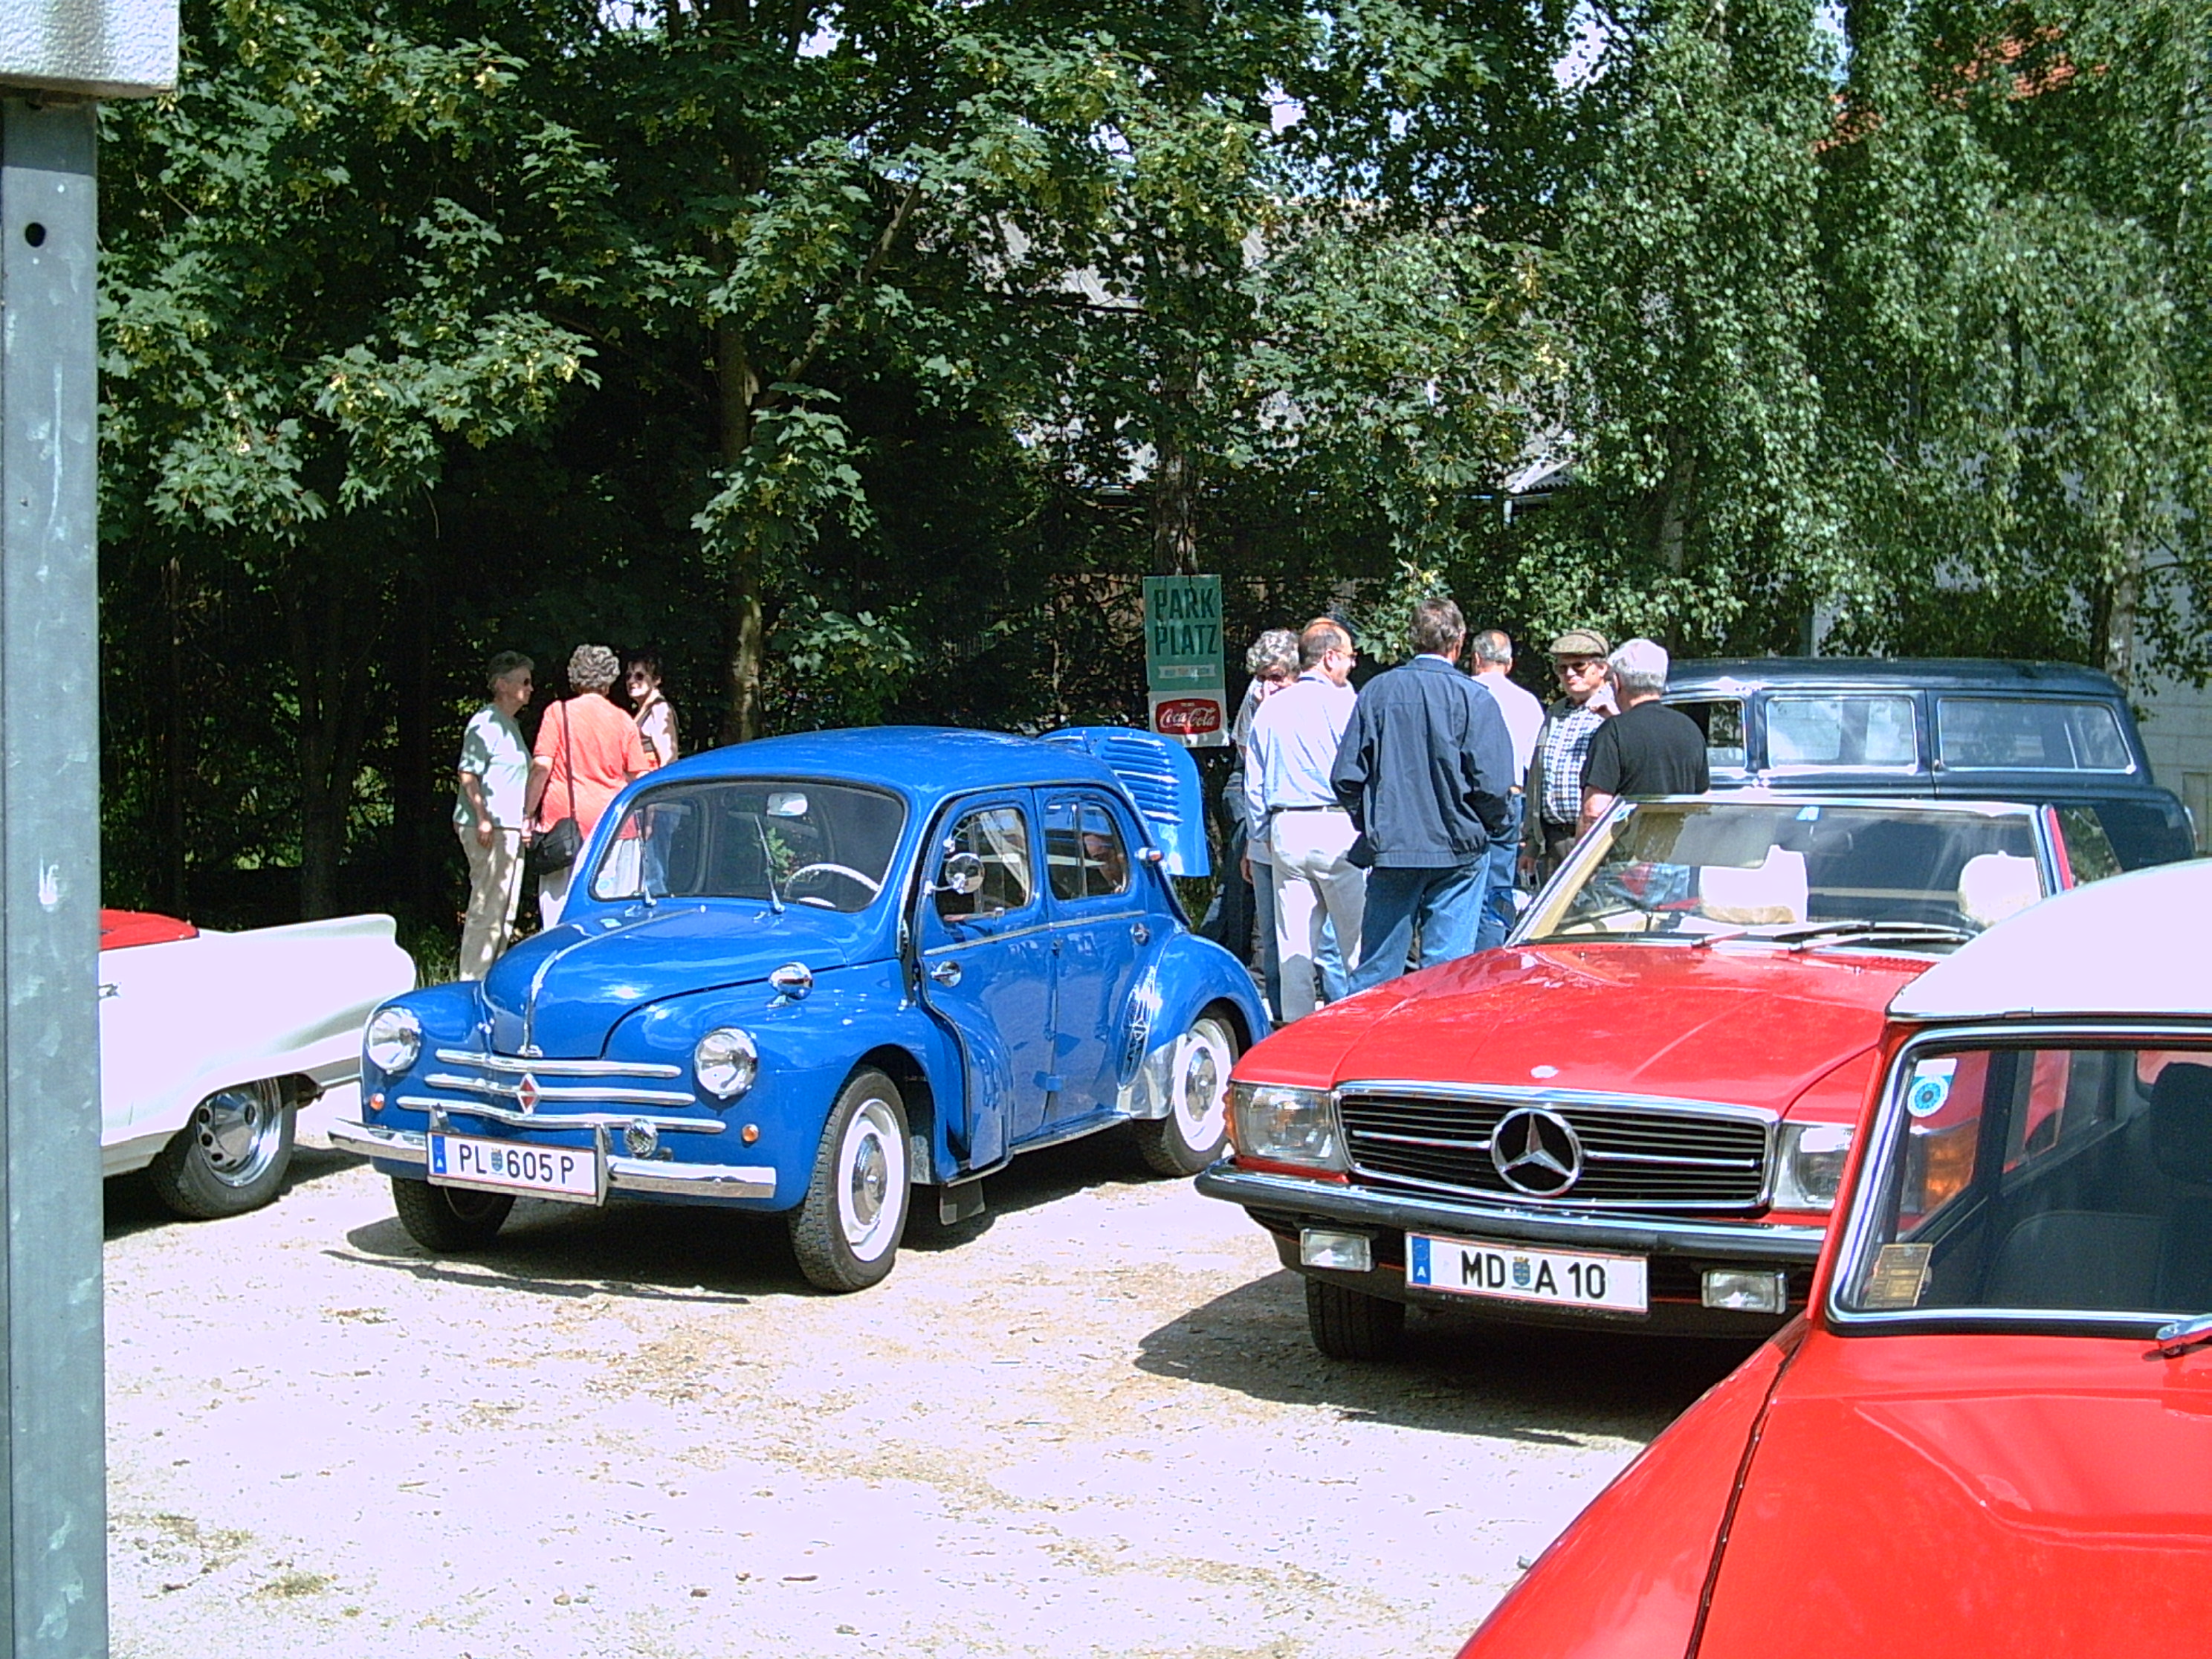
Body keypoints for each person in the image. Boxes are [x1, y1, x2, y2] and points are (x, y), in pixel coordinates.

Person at [1331, 598, 1516, 992]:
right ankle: (1438, 1030)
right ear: (1459, 642)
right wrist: (1483, 826)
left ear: (1411, 638)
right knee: (1446, 974)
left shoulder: (1377, 692)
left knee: (1377, 973)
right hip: (1458, 848)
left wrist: (1374, 822)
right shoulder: (1473, 698)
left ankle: (1368, 1031)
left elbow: (1346, 777)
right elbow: (1493, 785)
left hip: (1394, 847)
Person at [1244, 619, 1364, 1021]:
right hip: (1336, 824)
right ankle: (1362, 1024)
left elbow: (1254, 782)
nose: (1351, 664)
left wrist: (1263, 834)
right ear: (1329, 658)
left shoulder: (1271, 708)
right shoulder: (1346, 704)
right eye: (1347, 656)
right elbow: (1362, 770)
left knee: (1293, 946)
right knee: (1355, 944)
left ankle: (1295, 1028)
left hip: (1286, 828)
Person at [1201, 629, 1300, 1012]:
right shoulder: (1258, 696)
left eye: (1276, 677)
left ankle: (1257, 972)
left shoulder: (1313, 701)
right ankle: (1243, 969)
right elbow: (1247, 758)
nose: (1266, 686)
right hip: (1251, 787)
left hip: (1296, 803)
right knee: (1246, 863)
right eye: (1261, 677)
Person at [525, 644, 648, 926]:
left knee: (558, 910)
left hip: (564, 828)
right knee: (609, 913)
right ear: (609, 680)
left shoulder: (558, 714)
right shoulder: (624, 721)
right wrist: (648, 821)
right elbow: (640, 777)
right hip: (615, 827)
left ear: (575, 676)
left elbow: (541, 768)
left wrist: (527, 814)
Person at [453, 652, 534, 979]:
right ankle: (471, 980)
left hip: (510, 828)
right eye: (524, 681)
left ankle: (491, 980)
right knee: (487, 908)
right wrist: (483, 817)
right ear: (502, 684)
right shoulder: (486, 722)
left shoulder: (510, 725)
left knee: (506, 910)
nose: (531, 688)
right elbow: (468, 773)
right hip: (490, 827)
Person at [1579, 638, 1710, 830]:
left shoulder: (1614, 732)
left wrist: (1582, 847)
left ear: (1617, 682)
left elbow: (1594, 812)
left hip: (1629, 847)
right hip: (1676, 844)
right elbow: (1703, 803)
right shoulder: (1691, 729)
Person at [1469, 630, 1546, 951]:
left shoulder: (1460, 694)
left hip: (1463, 800)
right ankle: (1491, 955)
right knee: (1499, 886)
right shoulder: (1527, 703)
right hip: (1508, 798)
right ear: (1510, 663)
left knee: (1456, 885)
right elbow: (1535, 767)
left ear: (1476, 659)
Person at [1524, 628, 1617, 880]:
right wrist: (1532, 842)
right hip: (1554, 840)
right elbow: (1537, 777)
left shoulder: (1616, 708)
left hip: (1601, 840)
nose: (1569, 674)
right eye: (1562, 668)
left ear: (1601, 668)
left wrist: (1615, 719)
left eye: (1579, 666)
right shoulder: (1555, 712)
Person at [627, 651, 680, 769]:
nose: (631, 681)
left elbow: (669, 762)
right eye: (628, 676)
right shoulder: (643, 710)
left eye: (639, 676)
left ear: (656, 680)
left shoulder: (660, 710)